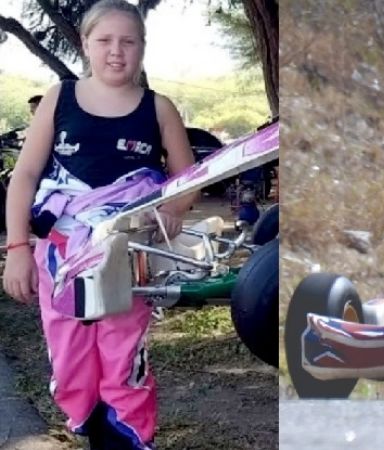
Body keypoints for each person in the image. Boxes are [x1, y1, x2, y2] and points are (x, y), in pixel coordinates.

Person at [2, 0, 196, 448]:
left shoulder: (159, 107)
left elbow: (188, 180)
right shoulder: (59, 98)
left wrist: (169, 214)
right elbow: (26, 176)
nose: (116, 51)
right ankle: (88, 428)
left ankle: (127, 440)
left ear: (142, 48)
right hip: (62, 255)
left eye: (128, 41)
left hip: (126, 258)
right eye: (104, 40)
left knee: (122, 356)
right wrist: (17, 251)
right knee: (70, 361)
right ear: (85, 44)